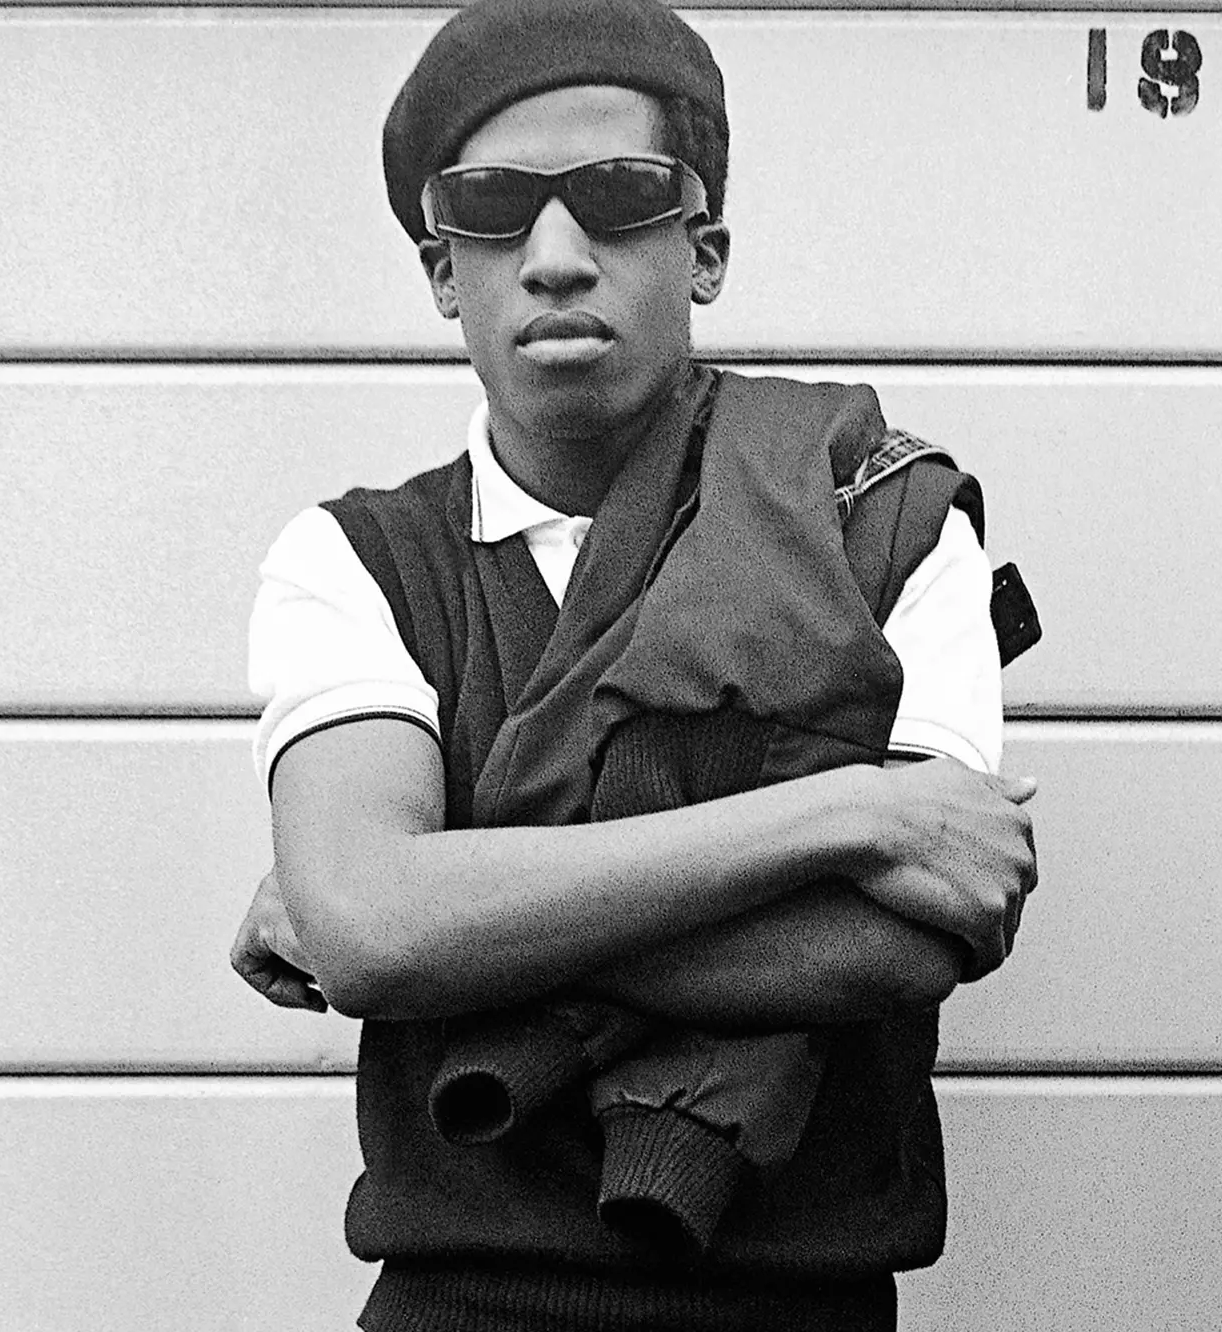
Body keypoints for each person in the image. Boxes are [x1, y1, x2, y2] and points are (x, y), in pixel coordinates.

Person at [225, 0, 1039, 1326]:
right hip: (466, 1300)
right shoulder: (360, 560)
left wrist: (452, 908)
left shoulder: (881, 519)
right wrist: (845, 811)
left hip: (799, 1299)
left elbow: (897, 946)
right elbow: (374, 934)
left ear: (702, 247)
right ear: (442, 270)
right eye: (493, 207)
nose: (553, 256)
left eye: (616, 195)